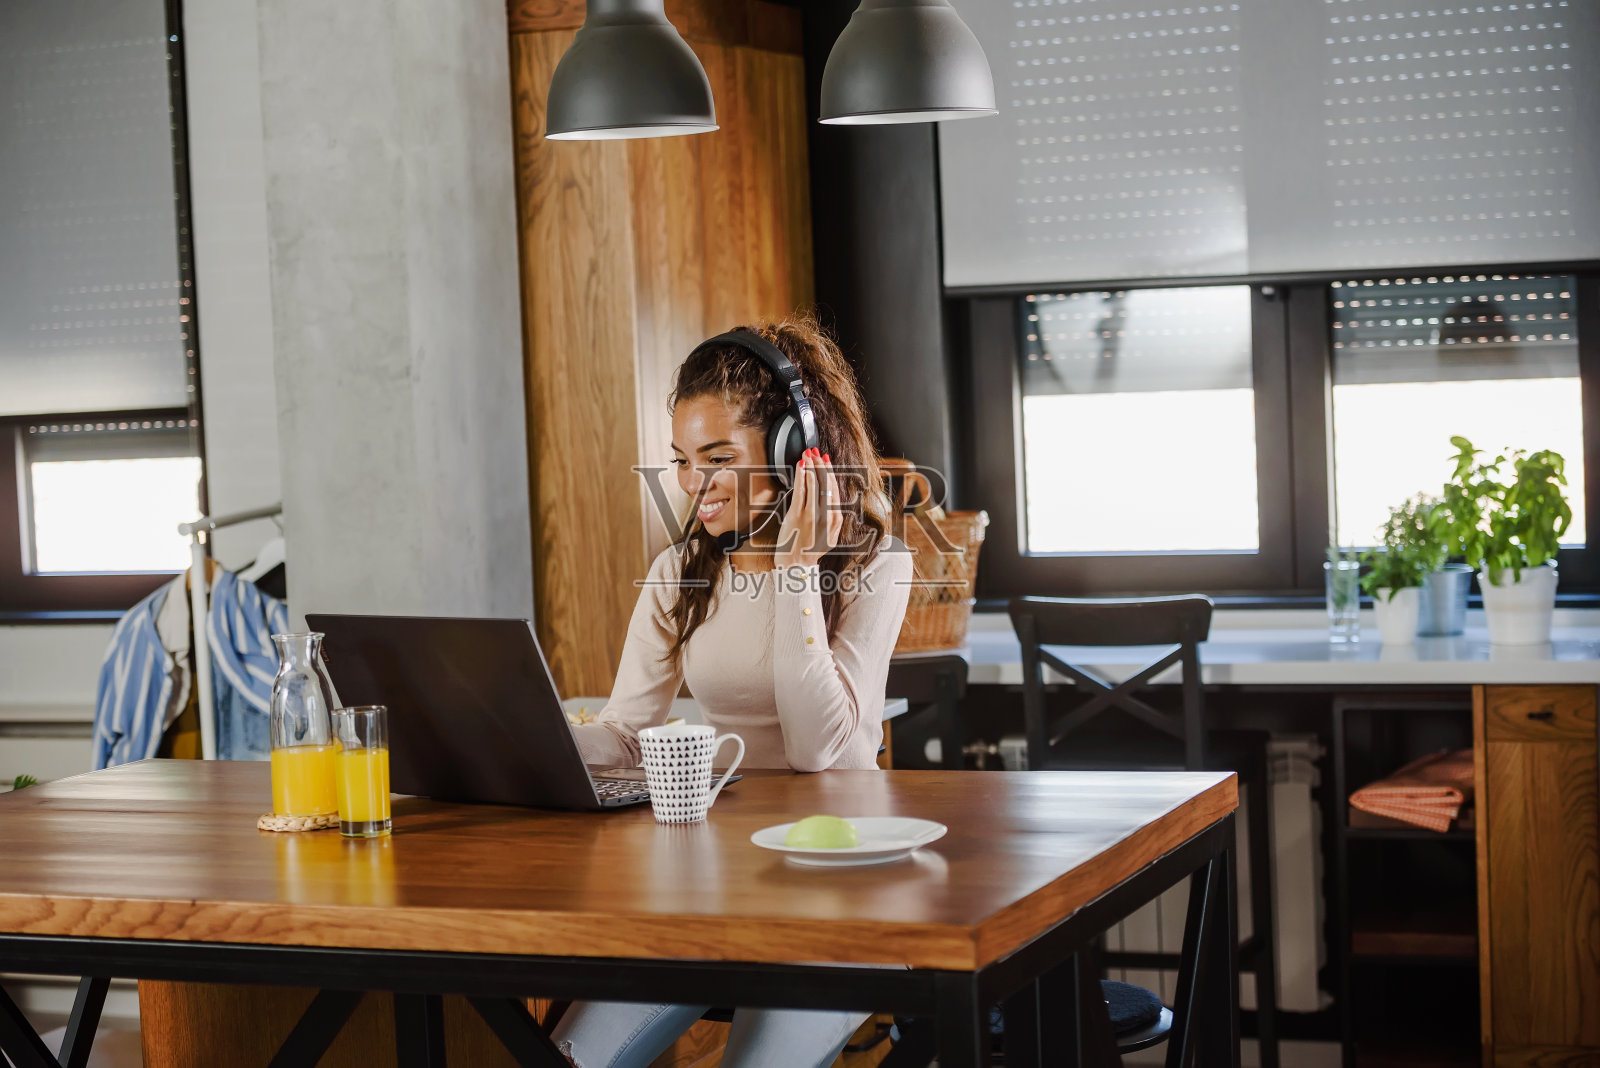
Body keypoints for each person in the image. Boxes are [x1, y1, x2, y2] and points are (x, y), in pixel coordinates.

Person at [554, 316, 914, 1068]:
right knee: (570, 1056)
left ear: (791, 454)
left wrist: (795, 570)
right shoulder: (678, 574)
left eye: (719, 459)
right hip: (718, 884)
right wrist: (530, 732)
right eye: (683, 460)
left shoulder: (876, 564)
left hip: (841, 889)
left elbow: (821, 749)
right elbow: (624, 735)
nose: (693, 486)